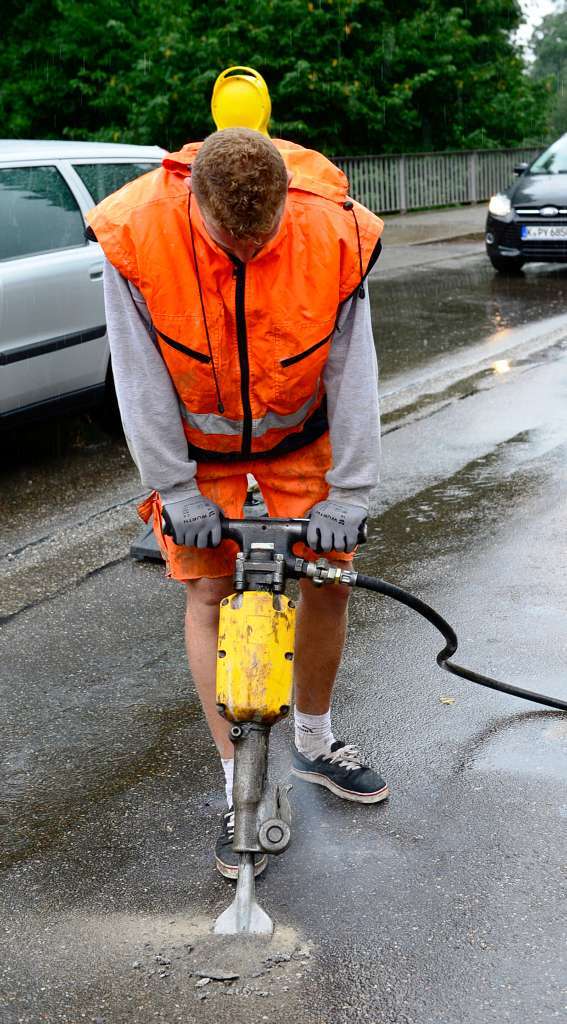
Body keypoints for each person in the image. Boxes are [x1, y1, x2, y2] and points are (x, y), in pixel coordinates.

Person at [86, 127, 387, 879]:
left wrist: (349, 492)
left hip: (298, 433)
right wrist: (174, 488)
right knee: (209, 588)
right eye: (232, 240)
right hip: (192, 447)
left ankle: (314, 745)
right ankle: (237, 787)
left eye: (266, 236)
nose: (251, 252)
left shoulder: (337, 230)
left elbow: (353, 369)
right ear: (195, 203)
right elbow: (138, 376)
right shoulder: (135, 235)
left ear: (289, 199)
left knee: (327, 575)